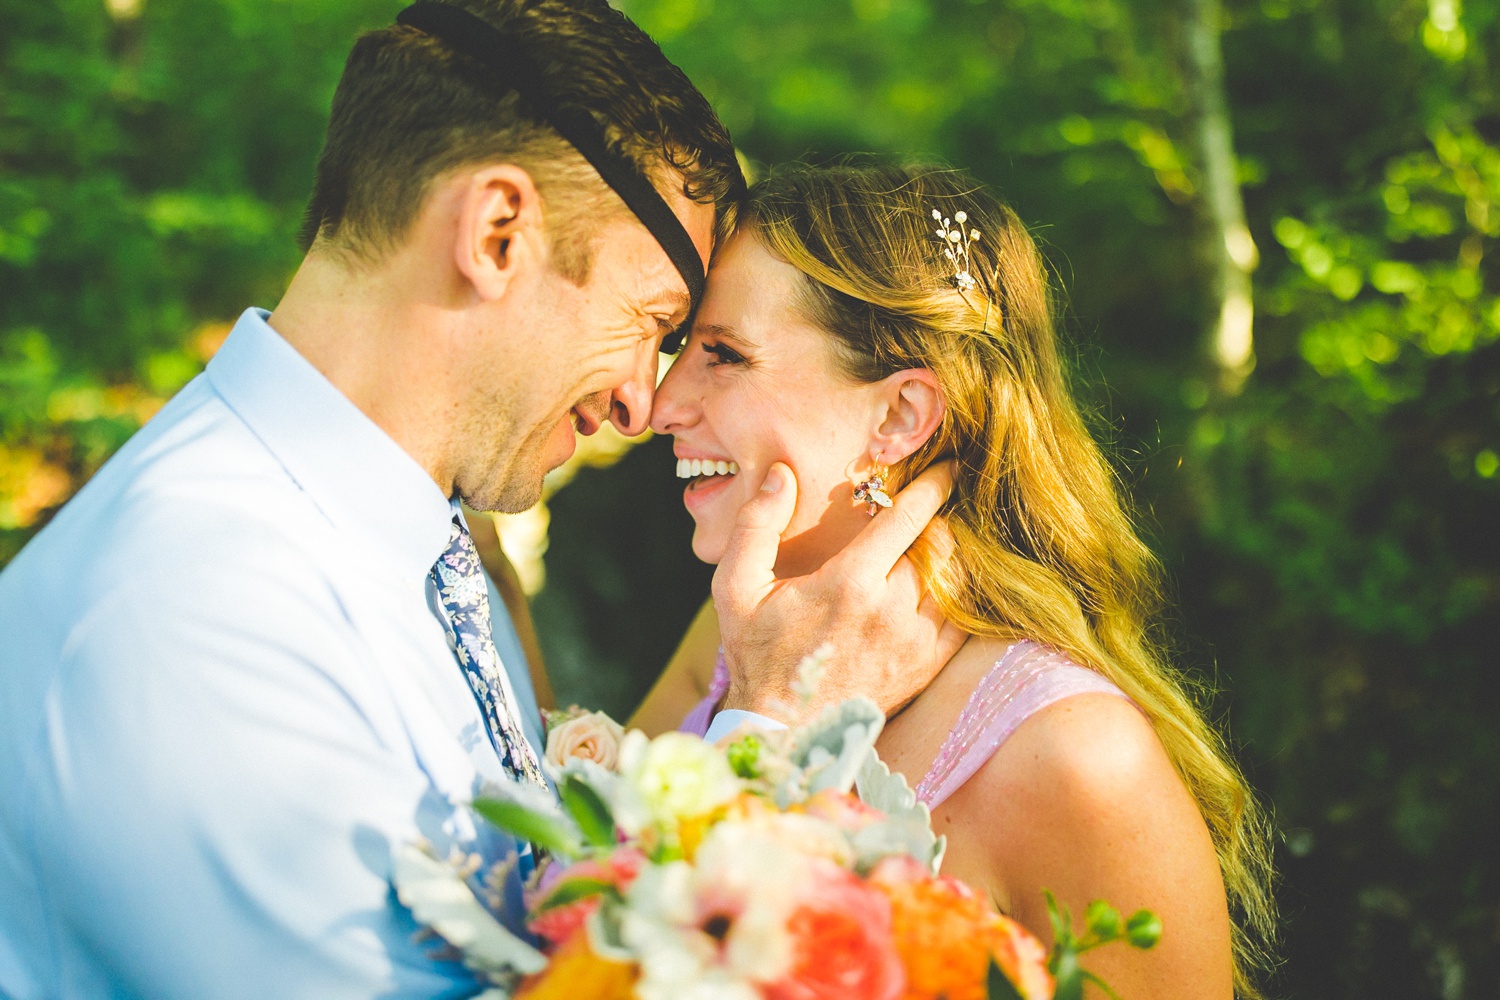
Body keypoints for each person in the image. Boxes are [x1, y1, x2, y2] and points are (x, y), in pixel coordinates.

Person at [0, 4, 959, 996]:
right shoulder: (197, 616)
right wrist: (772, 737)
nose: (643, 401)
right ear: (497, 232)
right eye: (652, 322)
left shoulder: (428, 549)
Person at [638, 163, 1278, 999]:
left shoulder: (1078, 761)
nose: (662, 404)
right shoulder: (738, 634)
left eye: (723, 355)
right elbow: (592, 901)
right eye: (682, 347)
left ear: (901, 416)